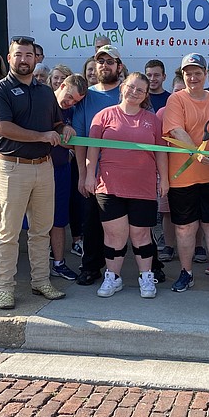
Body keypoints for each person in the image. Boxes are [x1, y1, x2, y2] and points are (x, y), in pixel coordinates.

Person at [0, 36, 70, 309]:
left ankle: (40, 281)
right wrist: (43, 136)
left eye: (29, 55)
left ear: (36, 59)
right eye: (18, 55)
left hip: (43, 167)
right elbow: (3, 128)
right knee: (9, 232)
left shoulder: (45, 91)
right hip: (13, 167)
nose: (24, 60)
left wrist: (64, 129)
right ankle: (5, 288)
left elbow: (57, 123)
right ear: (9, 59)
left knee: (41, 230)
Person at [84, 72, 169, 298]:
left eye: (140, 90)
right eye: (131, 87)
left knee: (141, 234)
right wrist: (89, 176)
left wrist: (165, 179)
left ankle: (146, 277)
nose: (134, 92)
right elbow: (92, 149)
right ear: (122, 88)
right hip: (109, 186)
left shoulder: (153, 120)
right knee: (114, 235)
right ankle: (113, 277)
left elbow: (161, 154)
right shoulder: (103, 116)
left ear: (145, 95)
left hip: (143, 187)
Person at [162, 53, 209, 294]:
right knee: (184, 228)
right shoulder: (176, 100)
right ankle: (186, 273)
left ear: (205, 74)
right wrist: (196, 153)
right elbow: (176, 130)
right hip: (182, 177)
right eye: (188, 73)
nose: (193, 77)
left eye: (197, 72)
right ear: (182, 75)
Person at [73, 45, 124, 285]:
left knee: (136, 223)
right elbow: (80, 139)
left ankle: (151, 266)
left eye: (110, 61)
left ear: (119, 66)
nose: (104, 65)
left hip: (127, 172)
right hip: (96, 173)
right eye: (100, 61)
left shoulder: (130, 93)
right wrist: (84, 175)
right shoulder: (86, 96)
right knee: (92, 222)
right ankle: (91, 266)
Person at [48, 73, 86, 282]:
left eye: (75, 101)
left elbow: (76, 143)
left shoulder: (72, 111)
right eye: (69, 96)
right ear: (62, 85)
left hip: (61, 169)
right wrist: (59, 137)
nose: (69, 102)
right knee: (33, 221)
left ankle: (59, 263)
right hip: (37, 167)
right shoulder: (43, 101)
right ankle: (37, 265)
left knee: (59, 220)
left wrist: (61, 139)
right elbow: (41, 134)